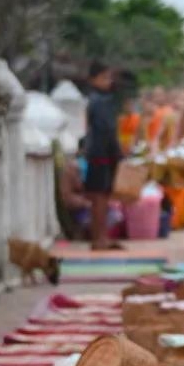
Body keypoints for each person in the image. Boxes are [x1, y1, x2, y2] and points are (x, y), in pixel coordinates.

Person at [84, 60, 124, 249]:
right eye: (104, 78)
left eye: (109, 77)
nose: (108, 81)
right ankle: (98, 239)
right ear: (93, 80)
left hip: (101, 153)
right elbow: (106, 129)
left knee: (103, 197)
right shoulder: (98, 101)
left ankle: (102, 237)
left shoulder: (101, 99)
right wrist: (117, 153)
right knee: (99, 198)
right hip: (101, 154)